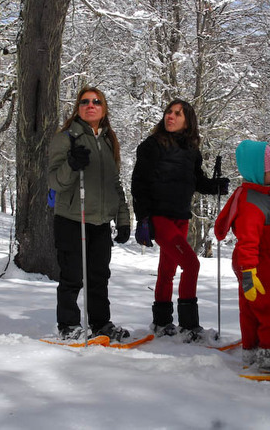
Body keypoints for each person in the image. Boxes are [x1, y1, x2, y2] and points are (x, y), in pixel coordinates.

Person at [131, 99, 229, 342]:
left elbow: (197, 181)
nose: (170, 117)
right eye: (168, 112)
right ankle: (189, 325)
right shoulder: (151, 146)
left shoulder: (191, 150)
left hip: (180, 216)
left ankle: (162, 322)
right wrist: (143, 219)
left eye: (177, 113)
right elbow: (138, 185)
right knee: (191, 265)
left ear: (188, 120)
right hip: (160, 217)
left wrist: (215, 186)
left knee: (167, 270)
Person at [48, 86, 131, 341]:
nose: (90, 105)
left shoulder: (108, 141)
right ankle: (69, 325)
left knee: (99, 276)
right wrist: (72, 165)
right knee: (72, 274)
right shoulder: (66, 138)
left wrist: (124, 219)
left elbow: (114, 184)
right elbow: (54, 182)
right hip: (72, 218)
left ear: (103, 108)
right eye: (84, 102)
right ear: (78, 108)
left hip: (100, 221)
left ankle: (100, 323)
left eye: (96, 101)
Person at [214, 140, 270, 372]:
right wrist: (249, 273)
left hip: (254, 262)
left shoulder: (251, 193)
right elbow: (249, 240)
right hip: (258, 264)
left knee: (251, 308)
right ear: (257, 172)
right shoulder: (252, 202)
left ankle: (254, 349)